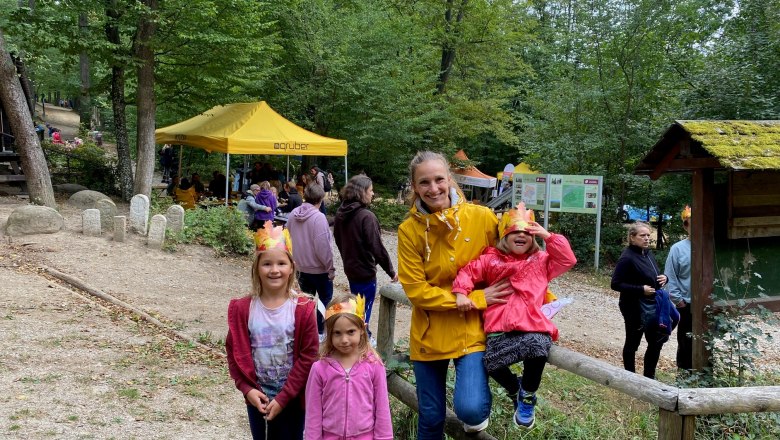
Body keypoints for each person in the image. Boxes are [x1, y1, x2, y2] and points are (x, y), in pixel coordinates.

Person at [397, 151, 512, 438]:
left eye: (439, 179)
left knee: (471, 409)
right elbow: (417, 291)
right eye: (424, 182)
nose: (433, 188)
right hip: (428, 332)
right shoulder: (409, 231)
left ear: (450, 179)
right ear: (415, 187)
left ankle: (478, 410)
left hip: (470, 330)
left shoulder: (482, 218)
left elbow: (512, 256)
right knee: (431, 415)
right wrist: (470, 298)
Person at [452, 202, 576, 429]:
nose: (521, 236)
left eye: (527, 233)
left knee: (538, 348)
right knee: (491, 363)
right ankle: (515, 389)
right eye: (515, 232)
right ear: (504, 236)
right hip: (499, 327)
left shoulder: (542, 261)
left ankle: (527, 396)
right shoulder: (491, 259)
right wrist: (461, 292)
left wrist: (549, 236)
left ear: (534, 238)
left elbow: (567, 260)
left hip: (532, 326)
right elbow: (468, 272)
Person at [225, 222, 318, 440]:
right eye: (267, 264)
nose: (274, 270)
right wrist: (246, 389)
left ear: (292, 267)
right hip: (258, 398)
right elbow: (234, 351)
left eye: (281, 263)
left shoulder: (303, 308)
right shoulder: (243, 309)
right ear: (256, 268)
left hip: (294, 399)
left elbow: (309, 356)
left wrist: (285, 397)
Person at [304, 293, 393, 439]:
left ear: (362, 330)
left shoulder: (374, 365)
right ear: (329, 334)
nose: (344, 340)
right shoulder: (320, 369)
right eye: (337, 333)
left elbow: (382, 408)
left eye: (351, 332)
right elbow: (313, 412)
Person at [333, 175, 397, 346]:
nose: (373, 193)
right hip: (365, 272)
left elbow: (338, 240)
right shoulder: (366, 216)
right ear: (362, 192)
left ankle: (358, 333)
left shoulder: (341, 213)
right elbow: (378, 248)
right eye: (370, 190)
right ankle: (363, 339)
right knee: (364, 307)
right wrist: (391, 271)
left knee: (355, 303)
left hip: (351, 268)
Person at [611, 221, 669, 379]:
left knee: (656, 341)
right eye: (642, 235)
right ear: (632, 237)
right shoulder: (627, 258)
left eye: (648, 235)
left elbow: (653, 277)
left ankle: (649, 378)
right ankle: (631, 378)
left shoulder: (648, 253)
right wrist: (640, 289)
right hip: (633, 307)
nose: (647, 239)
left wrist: (665, 278)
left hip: (652, 305)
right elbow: (615, 284)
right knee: (632, 342)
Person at [286, 183, 335, 342]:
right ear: (320, 199)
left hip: (300, 267)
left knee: (305, 302)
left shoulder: (293, 214)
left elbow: (287, 238)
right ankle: (320, 332)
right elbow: (323, 246)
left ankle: (302, 330)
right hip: (319, 269)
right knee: (324, 300)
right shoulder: (319, 217)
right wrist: (330, 267)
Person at [665, 206, 692, 371]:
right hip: (686, 304)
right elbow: (670, 276)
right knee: (686, 341)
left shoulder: (711, 245)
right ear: (685, 226)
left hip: (708, 304)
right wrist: (678, 300)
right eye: (691, 224)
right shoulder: (677, 249)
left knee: (707, 341)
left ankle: (705, 375)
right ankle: (684, 374)